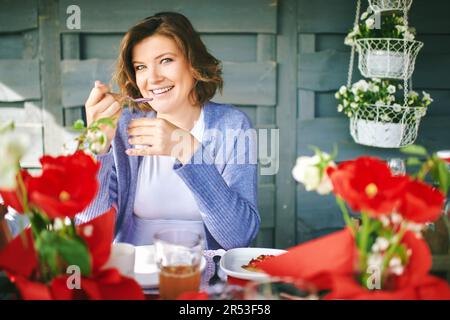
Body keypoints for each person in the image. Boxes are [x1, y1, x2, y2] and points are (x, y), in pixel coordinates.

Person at [76, 12, 260, 250]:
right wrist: (95, 145)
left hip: (204, 279)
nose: (152, 78)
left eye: (165, 60)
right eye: (141, 67)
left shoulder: (233, 125)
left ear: (193, 63)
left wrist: (187, 148)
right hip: (131, 278)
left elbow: (240, 238)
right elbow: (90, 235)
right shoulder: (123, 126)